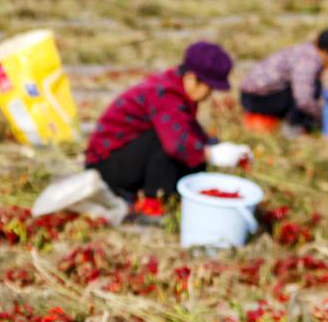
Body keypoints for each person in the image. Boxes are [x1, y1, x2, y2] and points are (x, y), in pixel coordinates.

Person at [85, 41, 250, 221]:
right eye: (208, 89)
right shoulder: (164, 93)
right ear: (190, 78)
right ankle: (153, 204)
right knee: (167, 141)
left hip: (128, 157)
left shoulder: (176, 88)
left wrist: (214, 145)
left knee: (191, 147)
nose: (209, 95)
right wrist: (211, 154)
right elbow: (176, 144)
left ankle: (170, 196)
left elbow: (189, 128)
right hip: (107, 166)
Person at [239, 29, 328, 134]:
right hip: (256, 100)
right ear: (325, 52)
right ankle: (293, 127)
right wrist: (326, 118)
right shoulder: (308, 61)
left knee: (310, 87)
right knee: (314, 88)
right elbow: (304, 101)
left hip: (254, 95)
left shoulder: (306, 50)